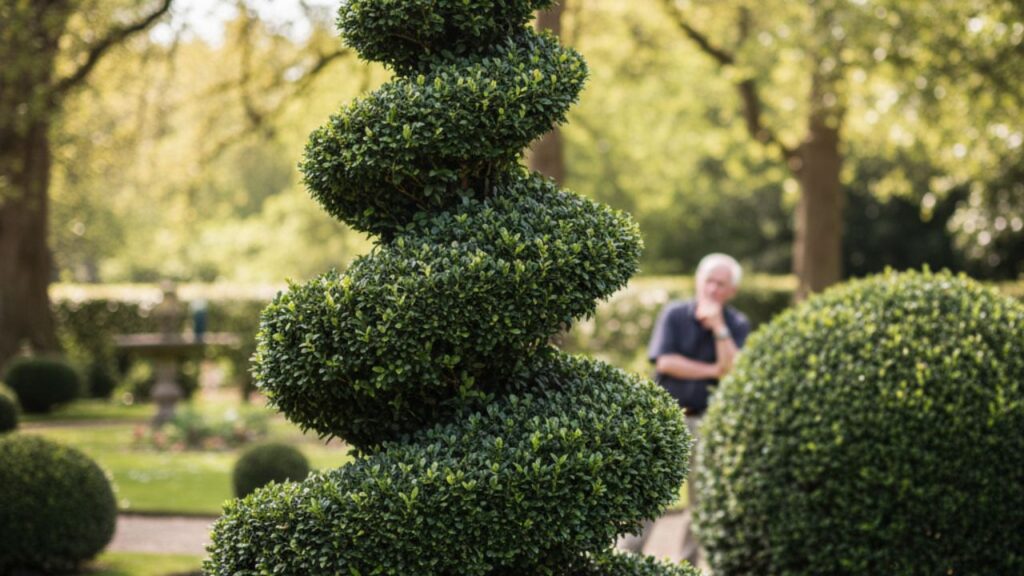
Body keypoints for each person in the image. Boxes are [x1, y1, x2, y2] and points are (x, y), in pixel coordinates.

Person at [647, 253, 751, 567]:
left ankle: (687, 567)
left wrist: (719, 328)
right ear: (698, 281)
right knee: (648, 494)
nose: (713, 289)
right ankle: (624, 557)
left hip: (707, 422)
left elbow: (733, 369)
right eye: (709, 281)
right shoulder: (674, 314)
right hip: (667, 418)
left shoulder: (737, 324)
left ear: (731, 291)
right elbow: (666, 362)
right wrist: (712, 370)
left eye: (722, 284)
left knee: (702, 502)